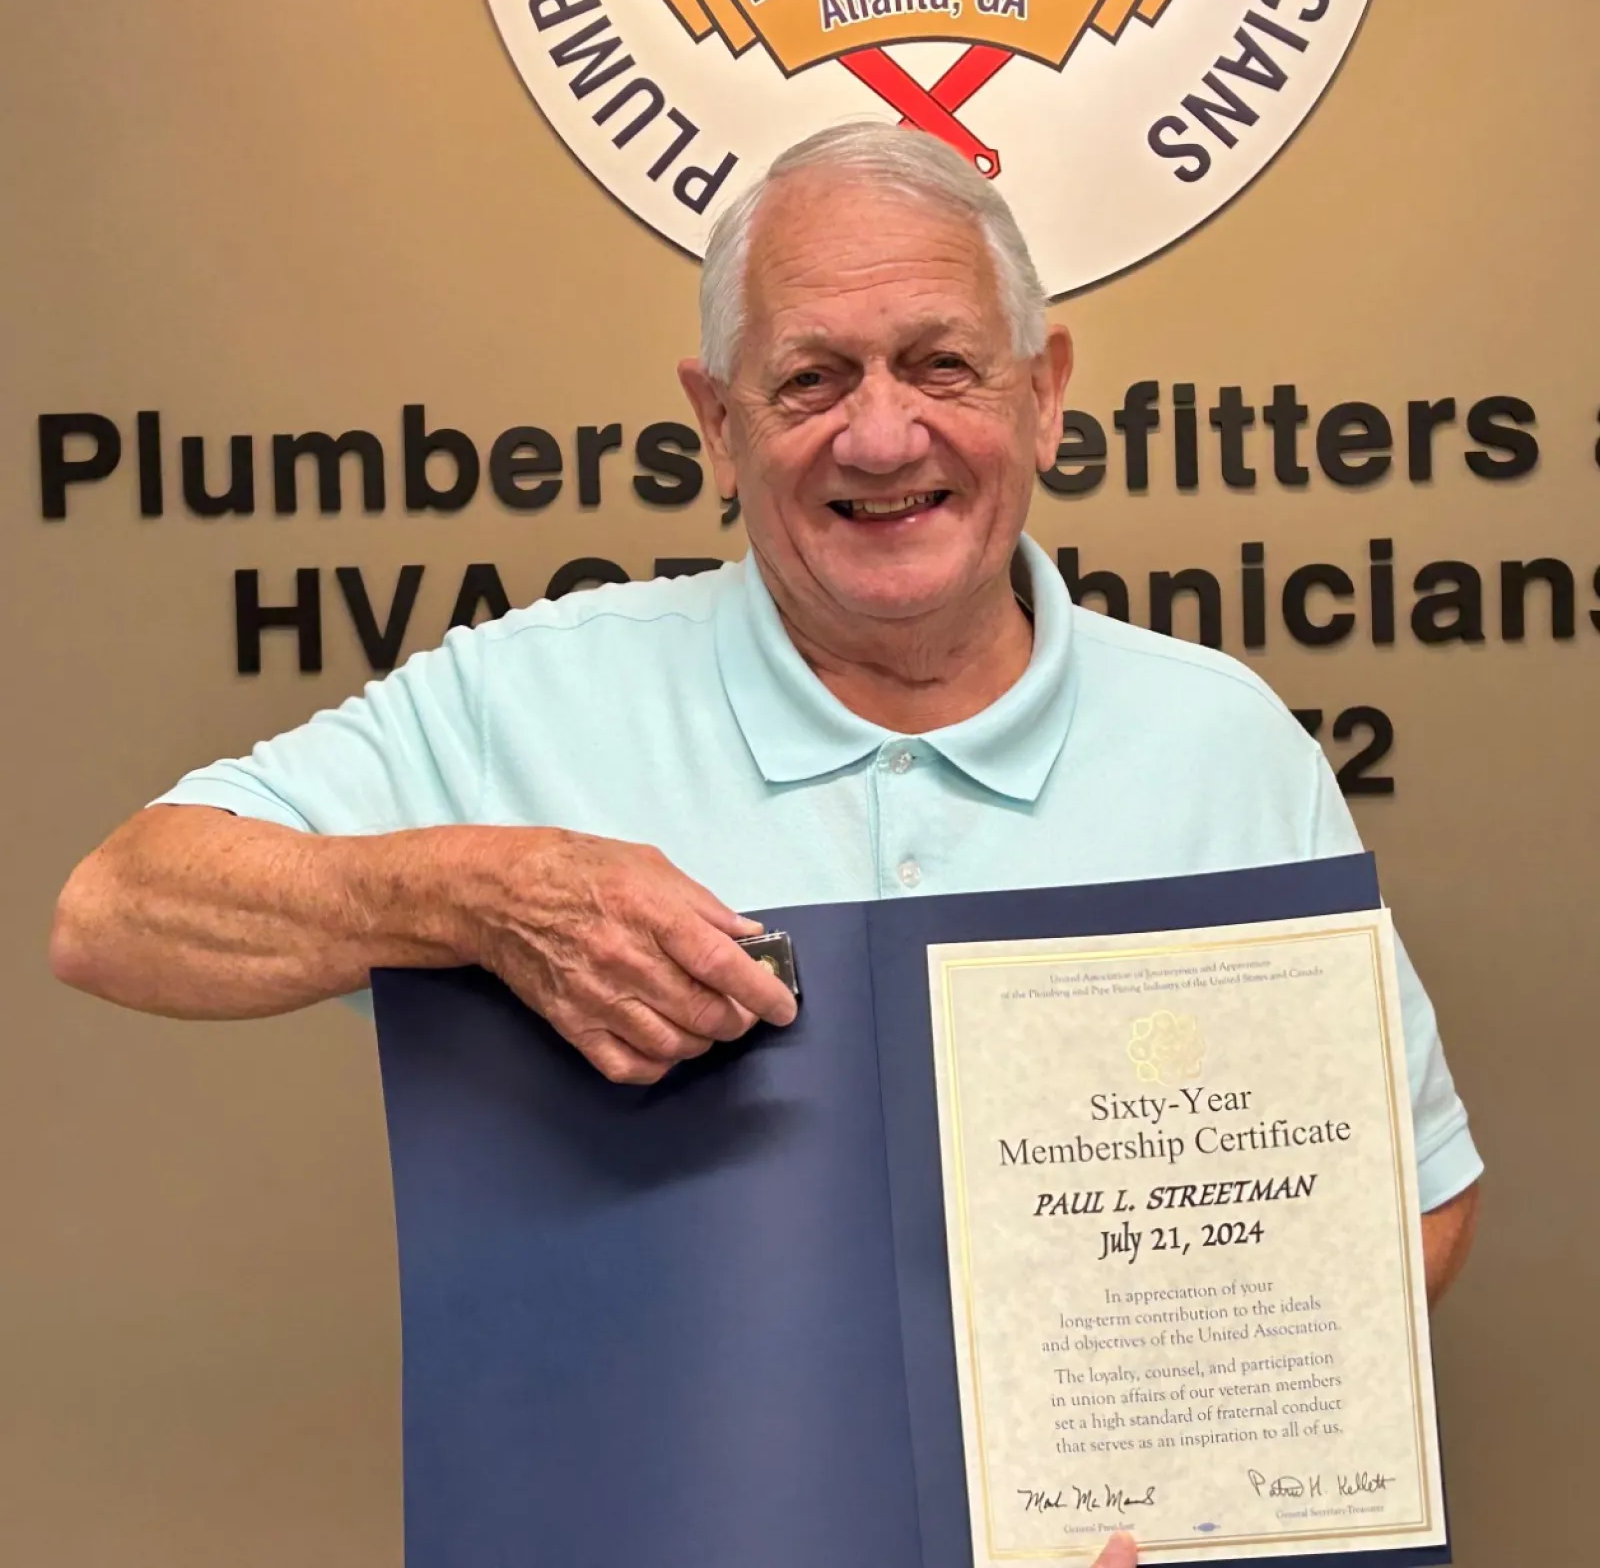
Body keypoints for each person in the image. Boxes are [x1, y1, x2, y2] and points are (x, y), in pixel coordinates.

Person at [51, 123, 1479, 1568]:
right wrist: (481, 895)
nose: (879, 435)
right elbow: (116, 909)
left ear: (1046, 396)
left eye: (940, 364)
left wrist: (1186, 1489)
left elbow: (1415, 1205)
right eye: (810, 378)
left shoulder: (1224, 746)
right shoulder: (526, 700)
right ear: (717, 425)